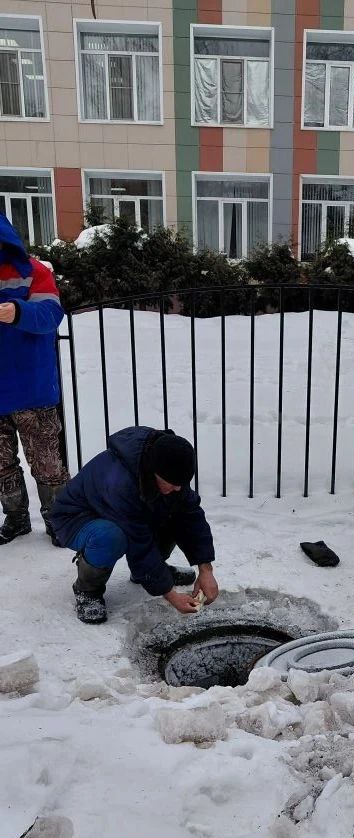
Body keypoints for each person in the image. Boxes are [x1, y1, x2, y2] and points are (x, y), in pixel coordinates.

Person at [49, 426, 219, 624]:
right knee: (111, 536)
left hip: (120, 513)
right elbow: (138, 542)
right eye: (171, 482)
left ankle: (152, 573)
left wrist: (206, 569)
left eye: (181, 482)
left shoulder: (166, 462)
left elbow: (191, 516)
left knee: (174, 508)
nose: (178, 487)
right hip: (76, 518)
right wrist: (170, 595)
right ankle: (88, 590)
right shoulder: (119, 482)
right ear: (153, 472)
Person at [0, 213, 69, 546]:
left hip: (32, 389)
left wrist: (17, 312)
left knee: (47, 463)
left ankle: (59, 521)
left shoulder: (34, 272)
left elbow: (51, 315)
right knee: (1, 464)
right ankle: (15, 518)